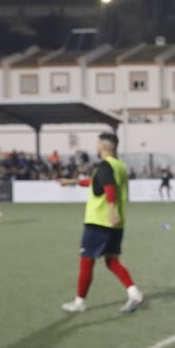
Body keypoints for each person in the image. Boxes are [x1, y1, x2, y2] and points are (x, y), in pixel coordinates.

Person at [60, 132, 143, 314]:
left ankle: (79, 302)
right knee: (112, 262)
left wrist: (111, 212)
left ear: (103, 147)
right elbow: (97, 183)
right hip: (116, 224)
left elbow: (108, 188)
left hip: (99, 221)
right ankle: (133, 292)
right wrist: (72, 182)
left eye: (97, 145)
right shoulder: (120, 166)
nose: (96, 147)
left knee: (86, 261)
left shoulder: (105, 165)